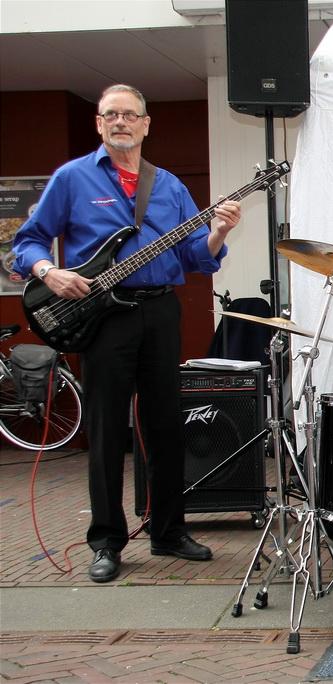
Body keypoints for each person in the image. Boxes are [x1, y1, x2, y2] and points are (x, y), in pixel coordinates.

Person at [12, 84, 242, 583]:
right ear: (99, 123)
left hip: (159, 311)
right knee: (107, 430)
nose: (121, 122)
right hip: (100, 317)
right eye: (111, 114)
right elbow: (26, 242)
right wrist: (50, 272)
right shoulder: (72, 178)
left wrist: (219, 231)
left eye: (130, 115)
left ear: (145, 124)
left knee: (165, 427)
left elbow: (194, 256)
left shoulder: (170, 186)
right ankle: (106, 541)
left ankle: (169, 531)